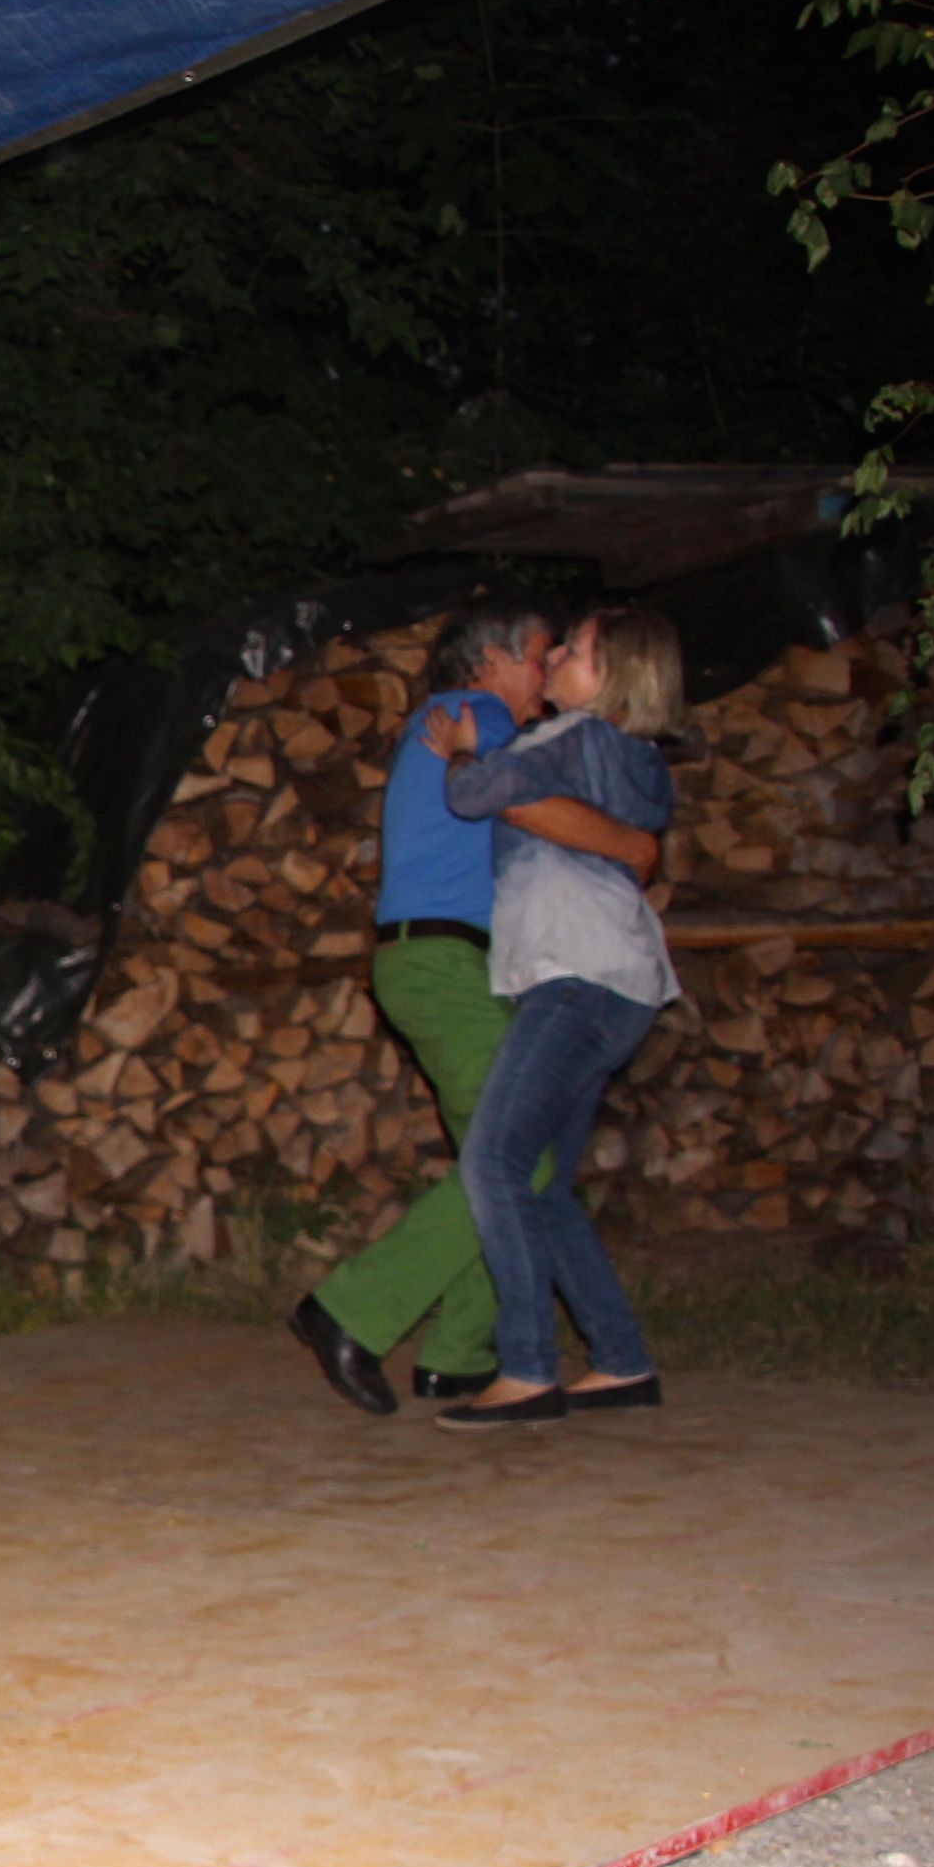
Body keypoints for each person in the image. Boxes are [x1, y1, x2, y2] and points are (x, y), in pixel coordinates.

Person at [289, 602, 661, 1415]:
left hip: (444, 960)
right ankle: (351, 1311)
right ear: (491, 661)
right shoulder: (478, 715)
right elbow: (523, 799)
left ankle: (459, 1354)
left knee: (502, 1161)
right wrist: (632, 844)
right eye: (538, 653)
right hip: (444, 963)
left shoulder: (463, 717)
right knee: (520, 1164)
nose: (546, 668)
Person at [421, 605, 687, 1431]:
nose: (556, 658)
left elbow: (478, 794)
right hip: (625, 983)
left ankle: (528, 1368)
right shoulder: (644, 761)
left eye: (574, 649)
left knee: (494, 1164)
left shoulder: (568, 737)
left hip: (574, 976)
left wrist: (462, 749)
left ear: (613, 677)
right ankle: (621, 1360)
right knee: (544, 1189)